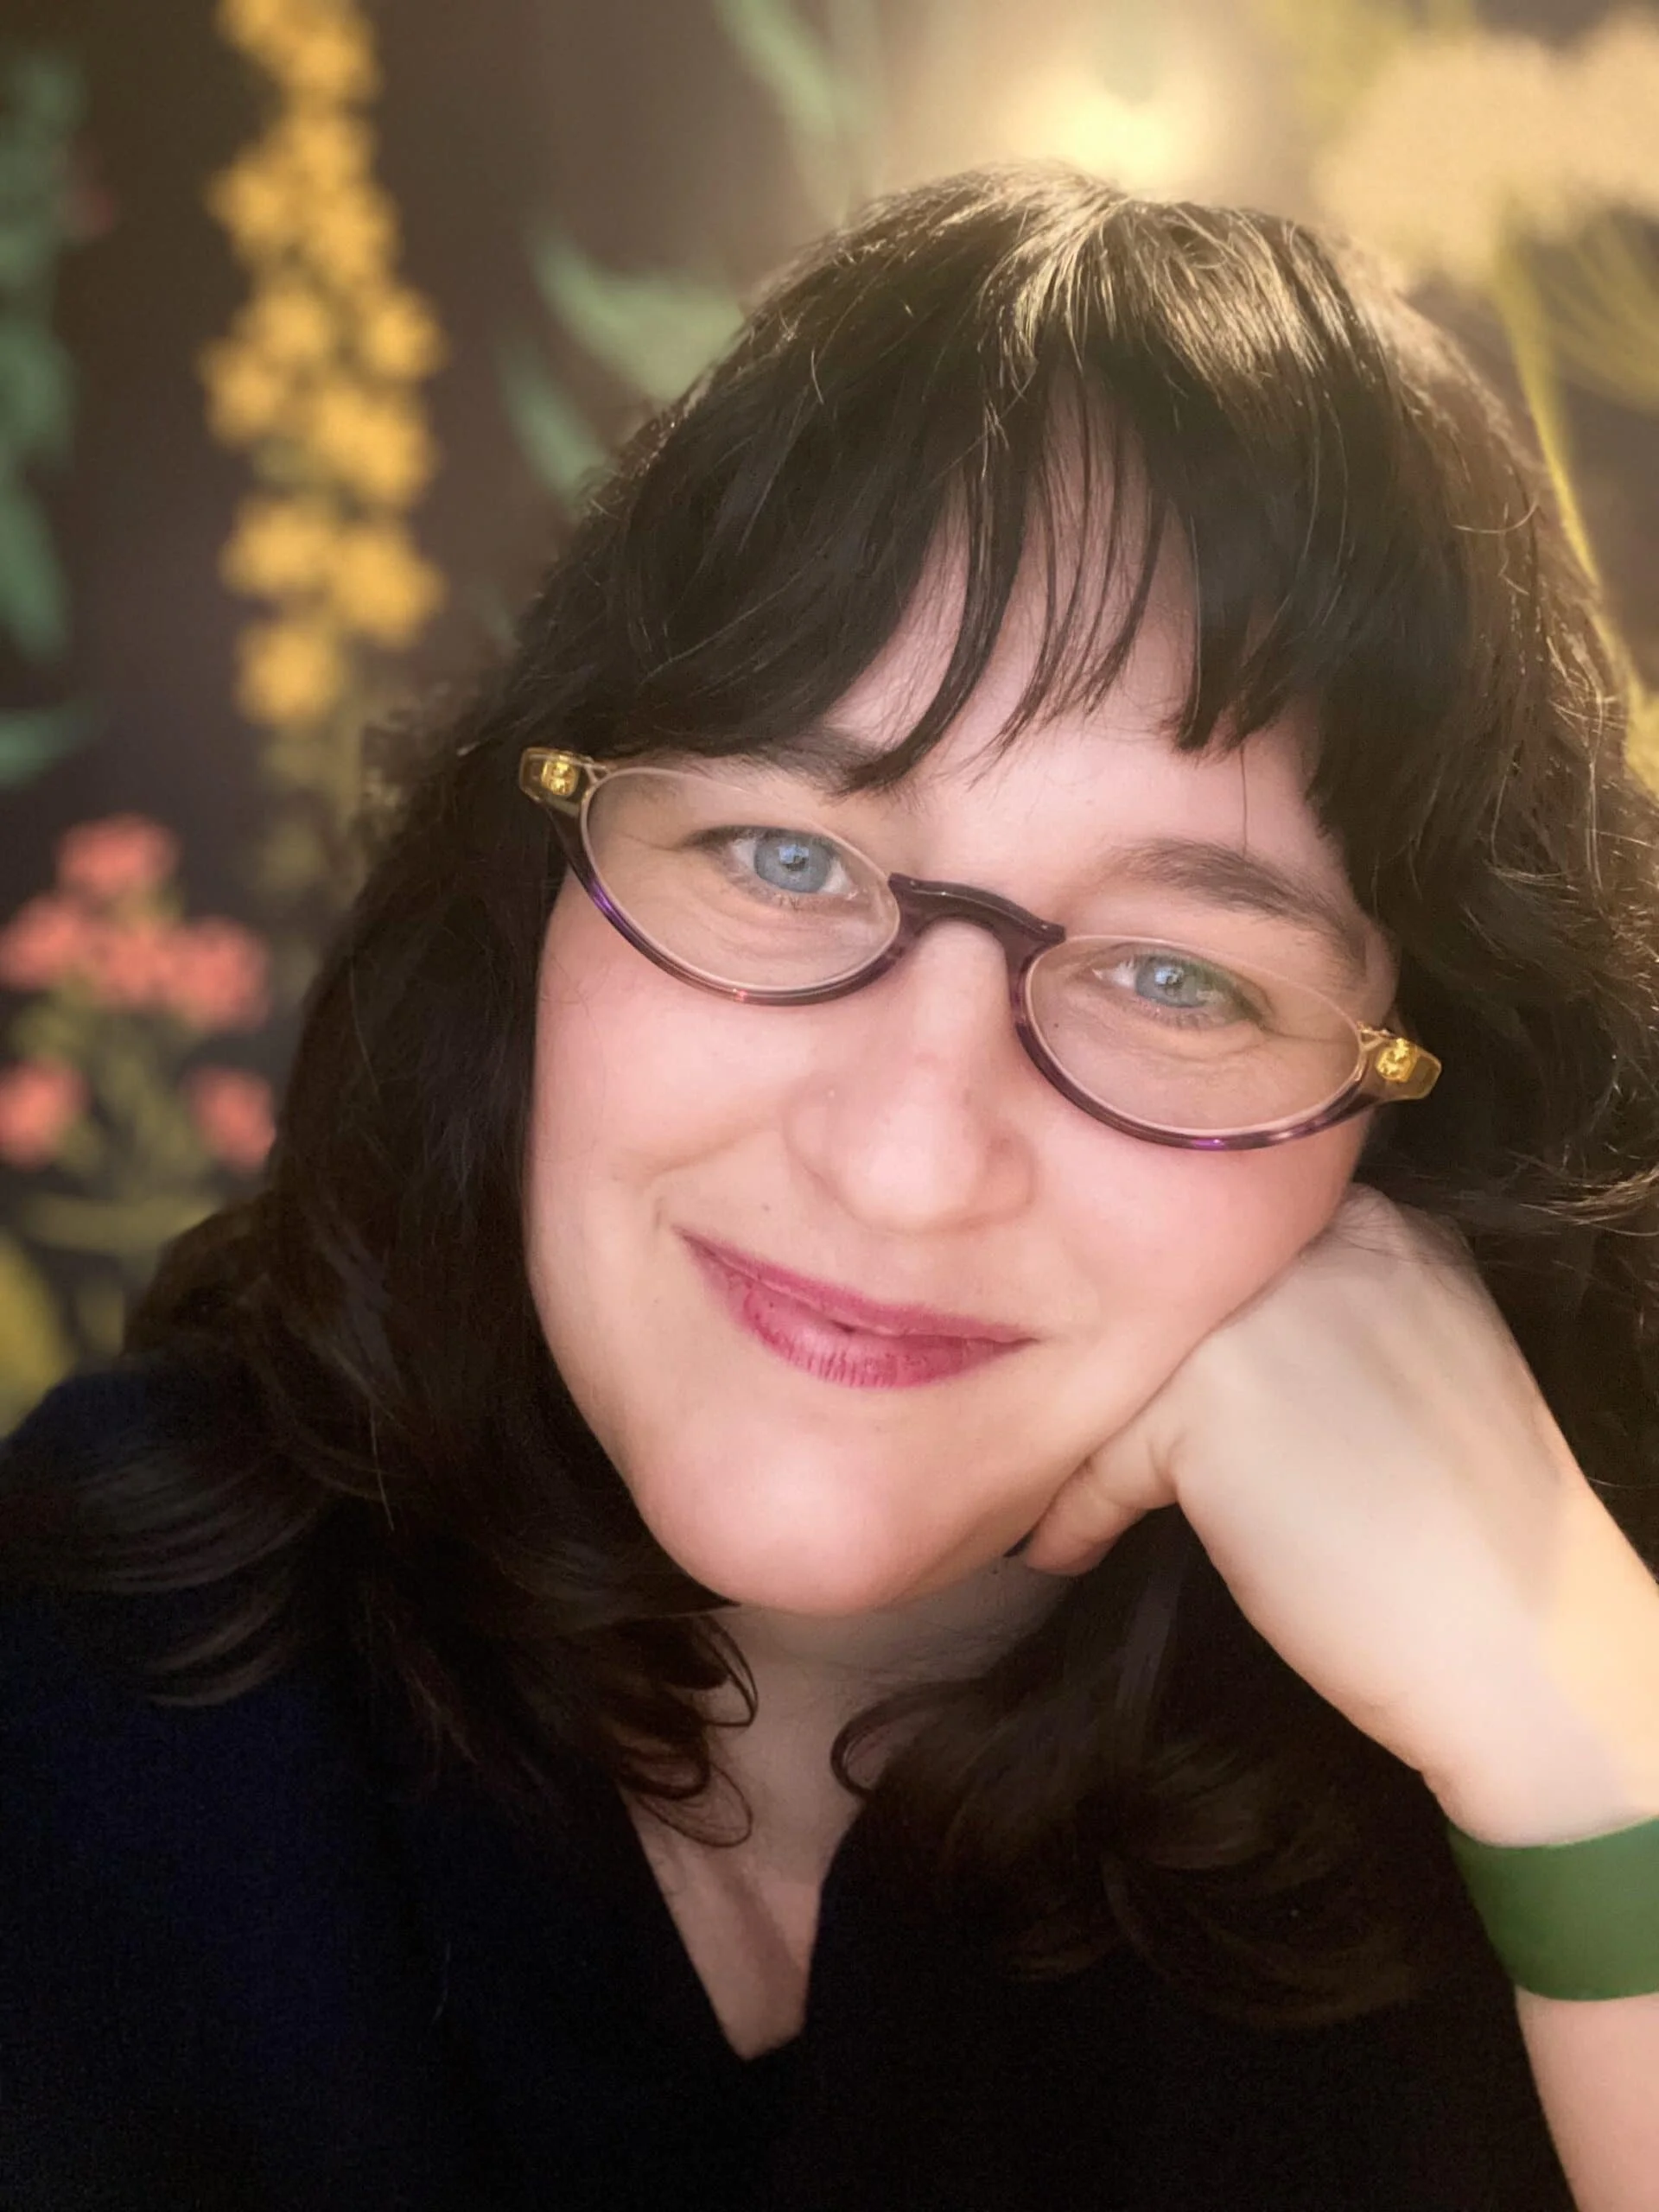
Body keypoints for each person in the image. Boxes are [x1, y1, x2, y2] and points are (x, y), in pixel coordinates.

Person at [3, 165, 1658, 2212]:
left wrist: (1587, 1736)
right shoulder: (79, 1693)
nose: (903, 1152)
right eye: (786, 858)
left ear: (1409, 1126)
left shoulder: (1495, 1789)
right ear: (541, 895)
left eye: (1177, 976)